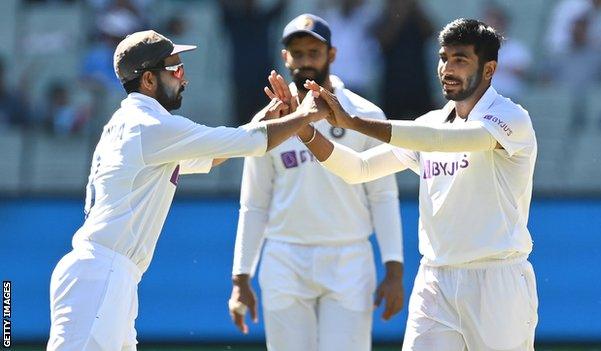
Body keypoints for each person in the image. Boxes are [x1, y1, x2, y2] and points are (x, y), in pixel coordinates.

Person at [47, 30, 328, 351]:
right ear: (149, 80)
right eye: (175, 69)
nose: (184, 78)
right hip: (102, 274)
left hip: (111, 274)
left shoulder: (136, 122)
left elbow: (215, 154)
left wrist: (264, 119)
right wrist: (307, 115)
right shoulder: (149, 126)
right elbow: (250, 143)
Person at [277, 18, 538, 350]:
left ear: (489, 70)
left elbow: (440, 141)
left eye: (460, 60)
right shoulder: (430, 122)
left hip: (496, 281)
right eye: (443, 58)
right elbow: (358, 168)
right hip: (435, 280)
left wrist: (353, 122)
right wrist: (304, 130)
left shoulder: (511, 118)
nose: (447, 68)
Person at [228, 14, 404, 351]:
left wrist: (393, 269)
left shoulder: (364, 115)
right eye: (298, 53)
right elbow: (254, 203)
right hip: (284, 257)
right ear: (285, 58)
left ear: (332, 55)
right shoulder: (268, 121)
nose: (306, 61)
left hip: (349, 257)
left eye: (314, 52)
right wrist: (241, 276)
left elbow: (383, 196)